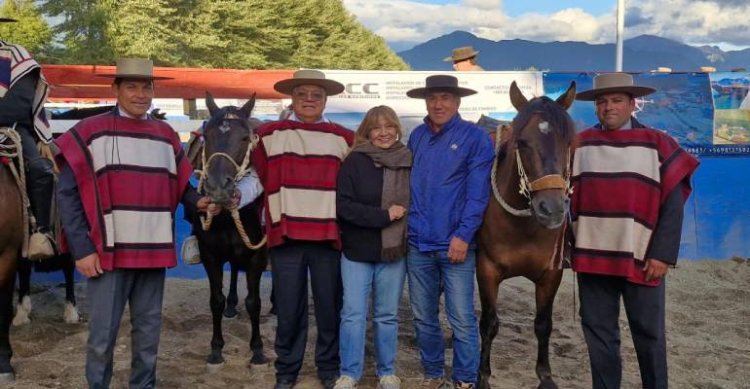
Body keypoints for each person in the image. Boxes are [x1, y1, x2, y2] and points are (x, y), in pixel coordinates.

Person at [55, 58, 212, 388]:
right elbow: (66, 195)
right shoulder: (90, 131)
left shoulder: (166, 135)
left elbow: (181, 184)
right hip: (107, 254)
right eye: (132, 86)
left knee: (148, 337)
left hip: (152, 251)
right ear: (116, 89)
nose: (140, 94)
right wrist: (82, 250)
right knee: (101, 339)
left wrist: (198, 201)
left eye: (146, 87)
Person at [571, 73, 699, 389]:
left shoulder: (658, 144)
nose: (608, 107)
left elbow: (672, 206)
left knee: (648, 333)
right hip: (592, 257)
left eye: (616, 100)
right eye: (602, 102)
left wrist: (662, 255)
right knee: (598, 333)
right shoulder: (581, 144)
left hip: (642, 257)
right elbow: (562, 197)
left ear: (632, 104)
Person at [251, 69, 354, 389]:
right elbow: (258, 179)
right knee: (289, 308)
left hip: (328, 236)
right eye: (303, 94)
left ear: (326, 100)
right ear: (292, 98)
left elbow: (353, 187)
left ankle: (327, 366)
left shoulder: (344, 138)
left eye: (316, 95)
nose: (309, 100)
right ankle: (287, 370)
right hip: (287, 236)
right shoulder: (268, 135)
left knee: (328, 307)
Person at [405, 75, 495, 389]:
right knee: (423, 316)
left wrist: (464, 234)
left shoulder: (475, 138)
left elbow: (478, 193)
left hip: (455, 244)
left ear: (457, 102)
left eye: (445, 97)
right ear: (425, 102)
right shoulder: (416, 136)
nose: (438, 104)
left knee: (461, 319)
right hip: (417, 243)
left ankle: (465, 380)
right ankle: (432, 374)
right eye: (433, 98)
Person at [333, 106, 412, 389]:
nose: (384, 133)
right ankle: (349, 373)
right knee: (353, 313)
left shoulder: (408, 159)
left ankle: (386, 371)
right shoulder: (354, 161)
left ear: (397, 129)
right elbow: (344, 207)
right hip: (357, 251)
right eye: (377, 128)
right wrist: (384, 216)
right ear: (367, 132)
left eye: (389, 126)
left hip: (393, 252)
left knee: (387, 315)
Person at [0, 17, 56, 260]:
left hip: (9, 128)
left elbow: (20, 102)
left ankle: (41, 233)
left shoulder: (16, 56)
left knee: (41, 169)